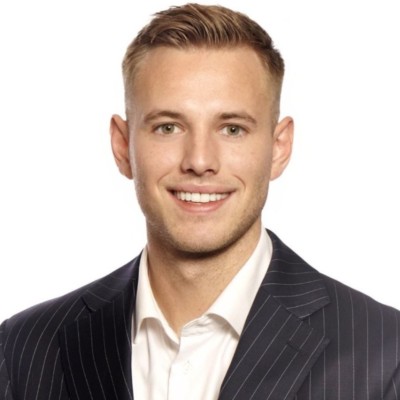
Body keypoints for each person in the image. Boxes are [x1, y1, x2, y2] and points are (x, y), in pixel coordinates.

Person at [1, 3, 399, 399]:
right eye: (168, 127)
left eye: (232, 129)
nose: (199, 161)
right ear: (123, 147)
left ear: (279, 148)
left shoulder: (383, 352)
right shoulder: (23, 350)